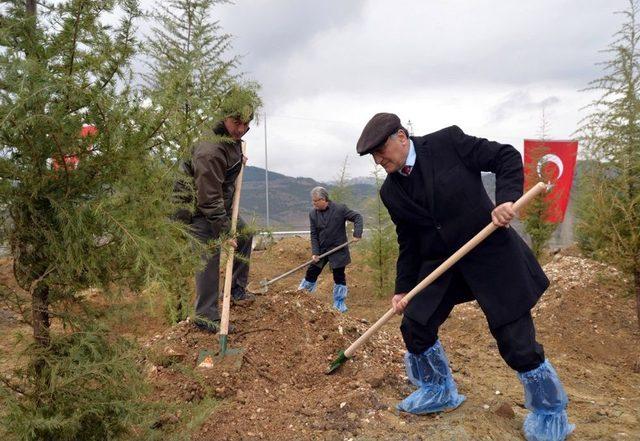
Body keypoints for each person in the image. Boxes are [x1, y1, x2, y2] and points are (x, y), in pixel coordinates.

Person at [356, 113, 574, 441]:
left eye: (380, 150)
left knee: (516, 342)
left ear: (401, 137)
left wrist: (505, 200)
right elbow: (409, 242)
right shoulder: (391, 192)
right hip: (442, 264)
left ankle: (548, 411)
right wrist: (403, 290)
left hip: (489, 252)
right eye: (372, 156)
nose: (378, 160)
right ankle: (438, 390)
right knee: (415, 324)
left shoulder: (447, 143)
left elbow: (505, 156)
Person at [188, 101, 256, 333]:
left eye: (246, 124)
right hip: (197, 208)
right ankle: (205, 316)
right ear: (224, 116)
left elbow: (227, 160)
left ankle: (236, 289)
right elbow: (207, 198)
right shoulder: (210, 149)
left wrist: (237, 162)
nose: (241, 129)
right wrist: (225, 232)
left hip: (218, 205)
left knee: (245, 235)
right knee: (209, 254)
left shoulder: (231, 139)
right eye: (237, 123)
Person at [297, 187, 363, 313]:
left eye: (316, 201)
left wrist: (357, 233)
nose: (314, 204)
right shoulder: (313, 214)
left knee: (339, 276)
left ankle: (339, 304)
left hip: (338, 249)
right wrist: (315, 252)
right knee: (312, 272)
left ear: (323, 199)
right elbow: (314, 234)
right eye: (313, 201)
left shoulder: (340, 209)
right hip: (322, 250)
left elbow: (358, 217)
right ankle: (301, 296)